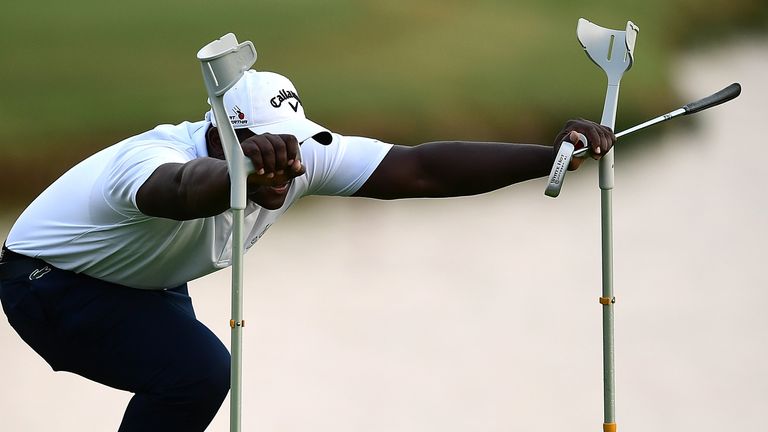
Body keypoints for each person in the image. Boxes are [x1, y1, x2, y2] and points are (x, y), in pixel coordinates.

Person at [0, 69, 614, 431]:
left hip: (144, 280)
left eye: (293, 148)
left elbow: (421, 170)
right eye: (269, 150)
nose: (289, 167)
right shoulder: (153, 159)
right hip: (48, 283)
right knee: (199, 372)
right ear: (221, 136)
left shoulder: (299, 157)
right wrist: (244, 177)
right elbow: (182, 191)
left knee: (190, 378)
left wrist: (549, 156)